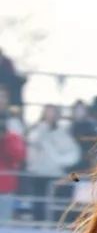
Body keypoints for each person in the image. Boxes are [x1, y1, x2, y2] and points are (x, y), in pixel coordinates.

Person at [23, 104, 81, 222]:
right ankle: (38, 224)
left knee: (56, 202)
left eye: (53, 112)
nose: (50, 115)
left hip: (56, 174)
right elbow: (31, 145)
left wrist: (61, 162)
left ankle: (55, 224)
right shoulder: (35, 130)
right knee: (38, 202)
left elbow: (72, 153)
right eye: (48, 112)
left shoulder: (62, 133)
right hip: (38, 173)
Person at [0, 86, 26, 222]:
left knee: (3, 228)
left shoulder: (13, 124)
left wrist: (6, 137)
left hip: (5, 185)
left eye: (2, 97)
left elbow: (19, 154)